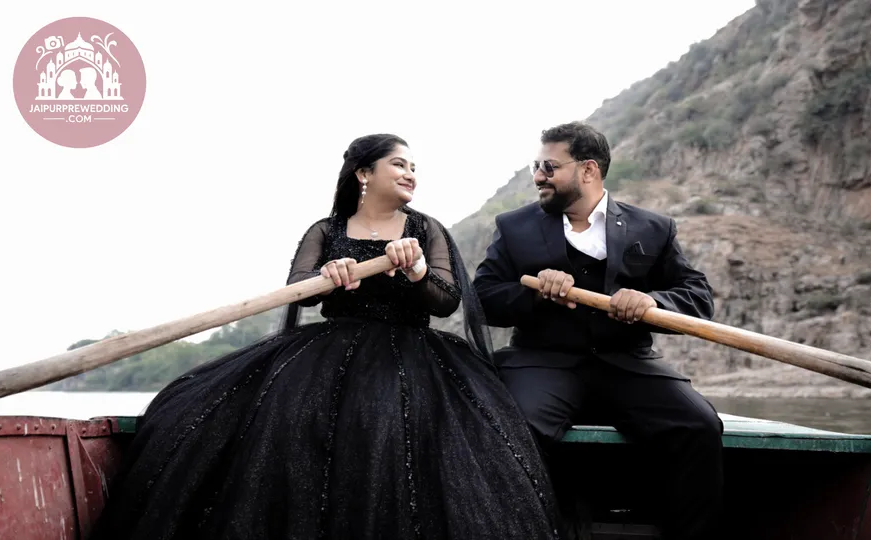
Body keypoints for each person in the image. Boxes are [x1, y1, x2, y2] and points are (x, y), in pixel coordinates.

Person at [87, 134, 562, 540]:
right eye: (399, 163)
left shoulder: (425, 229)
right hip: (329, 350)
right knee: (208, 413)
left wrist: (416, 267)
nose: (410, 173)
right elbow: (301, 291)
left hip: (415, 354)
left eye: (414, 167)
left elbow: (446, 300)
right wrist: (329, 273)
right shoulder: (326, 229)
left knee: (393, 425)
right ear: (363, 173)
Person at [472, 122, 724, 540]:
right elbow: (482, 299)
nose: (538, 176)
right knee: (517, 431)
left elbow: (698, 296)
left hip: (628, 363)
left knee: (699, 427)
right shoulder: (514, 227)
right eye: (537, 166)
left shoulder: (654, 228)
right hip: (543, 363)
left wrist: (652, 303)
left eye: (549, 167)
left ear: (588, 170)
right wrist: (534, 294)